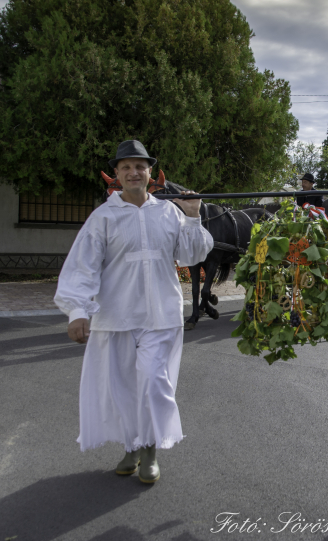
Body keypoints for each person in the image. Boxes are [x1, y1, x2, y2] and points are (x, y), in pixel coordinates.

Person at [54, 140, 213, 484]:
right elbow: (83, 267)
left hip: (161, 317)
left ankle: (151, 450)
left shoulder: (168, 212)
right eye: (125, 167)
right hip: (117, 317)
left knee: (155, 383)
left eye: (139, 166)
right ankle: (131, 447)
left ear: (149, 173)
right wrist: (77, 311)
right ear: (117, 175)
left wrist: (192, 214)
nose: (133, 172)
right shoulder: (104, 217)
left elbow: (192, 254)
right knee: (124, 389)